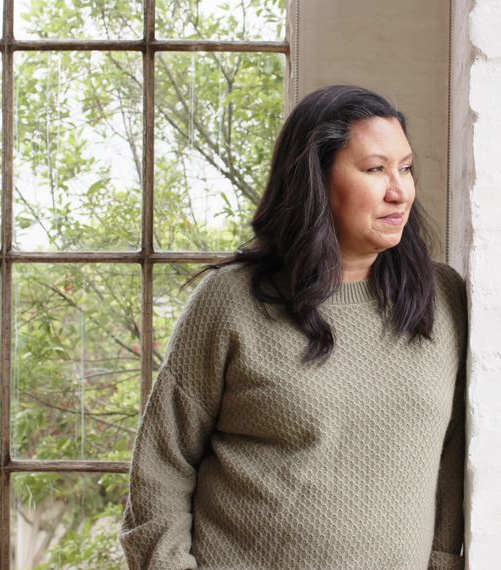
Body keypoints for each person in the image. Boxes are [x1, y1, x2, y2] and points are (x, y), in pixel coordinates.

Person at [119, 84, 467, 570]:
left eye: (405, 168)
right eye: (375, 169)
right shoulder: (230, 302)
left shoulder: (443, 298)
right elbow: (160, 469)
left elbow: (452, 464)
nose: (399, 191)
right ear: (315, 180)